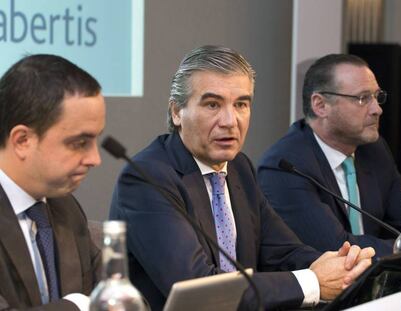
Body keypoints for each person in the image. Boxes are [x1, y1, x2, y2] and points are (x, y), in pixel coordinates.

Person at [110, 46, 374, 311]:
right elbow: (198, 290)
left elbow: (282, 252)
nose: (230, 121)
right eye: (213, 104)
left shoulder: (239, 168)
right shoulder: (146, 178)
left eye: (241, 104)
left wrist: (341, 267)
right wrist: (313, 282)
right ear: (177, 112)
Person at [258, 54, 401, 258]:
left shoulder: (374, 150)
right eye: (363, 98)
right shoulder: (285, 166)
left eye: (377, 97)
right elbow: (336, 249)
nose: (377, 109)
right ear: (320, 105)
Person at [0, 54, 106, 310]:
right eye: (79, 143)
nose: (95, 159)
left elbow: (118, 298)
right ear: (23, 140)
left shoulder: (65, 207)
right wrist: (79, 305)